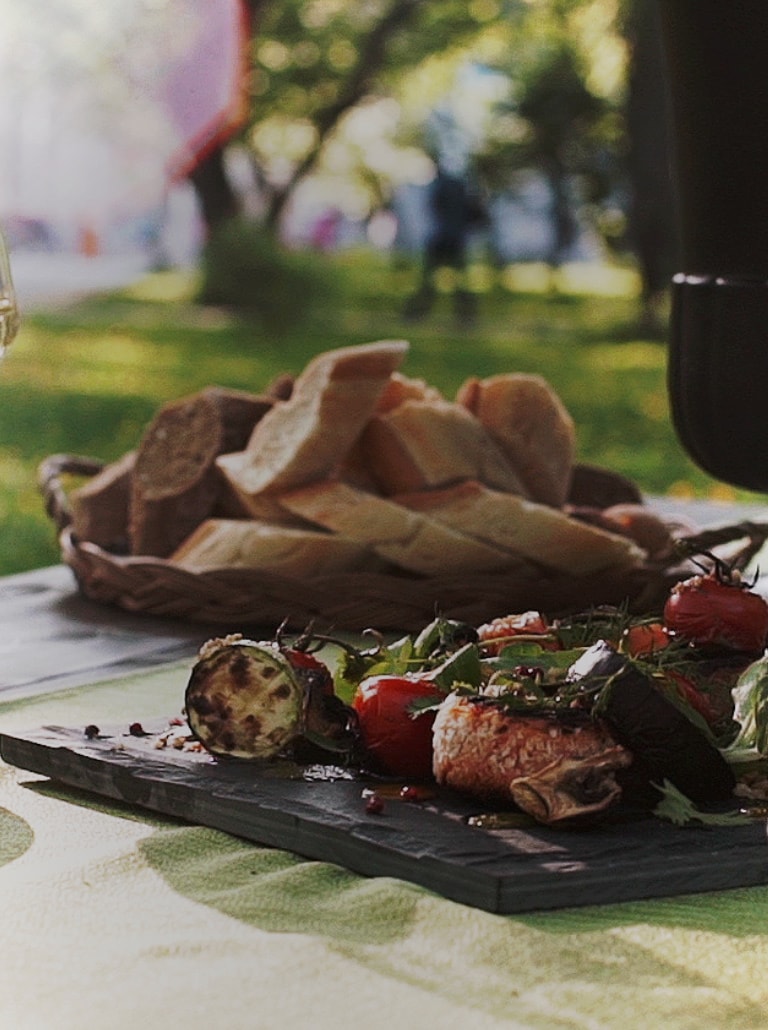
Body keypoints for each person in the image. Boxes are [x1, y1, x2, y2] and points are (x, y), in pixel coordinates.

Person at [403, 164, 485, 327]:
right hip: (455, 238)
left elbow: (433, 208)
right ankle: (465, 316)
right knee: (458, 280)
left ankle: (417, 313)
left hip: (441, 238)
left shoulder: (441, 186)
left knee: (430, 280)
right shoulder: (463, 187)